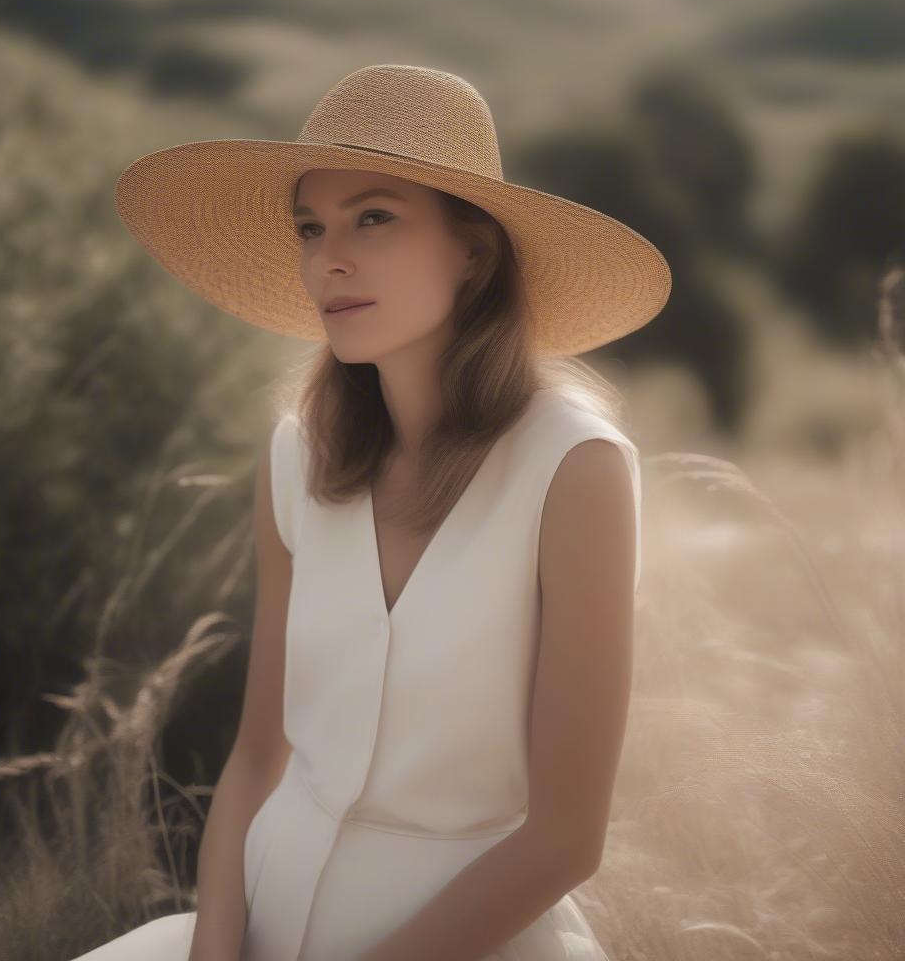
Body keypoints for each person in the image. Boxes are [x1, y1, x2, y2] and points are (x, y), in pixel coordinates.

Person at [71, 64, 671, 961]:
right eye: (311, 228)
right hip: (261, 928)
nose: (329, 260)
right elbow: (256, 759)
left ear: (473, 252)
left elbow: (566, 840)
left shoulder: (573, 470)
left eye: (374, 218)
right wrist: (215, 951)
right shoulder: (295, 455)